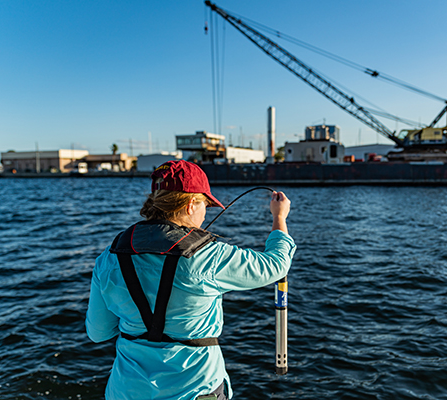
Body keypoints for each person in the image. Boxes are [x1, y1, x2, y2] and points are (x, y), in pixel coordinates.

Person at [86, 160, 296, 400]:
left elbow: (98, 333)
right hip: (195, 392)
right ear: (190, 204)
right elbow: (276, 265)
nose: (206, 212)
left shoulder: (108, 258)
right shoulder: (210, 256)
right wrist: (279, 218)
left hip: (126, 392)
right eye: (205, 204)